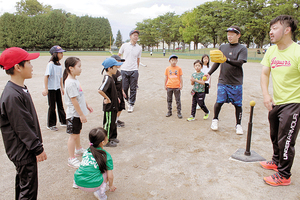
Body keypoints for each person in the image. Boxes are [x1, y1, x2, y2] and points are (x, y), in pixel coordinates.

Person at [0, 47, 47, 199]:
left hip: (23, 150)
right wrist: (37, 148)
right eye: (28, 62)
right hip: (23, 151)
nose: (32, 66)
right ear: (17, 67)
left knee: (23, 186)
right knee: (28, 192)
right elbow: (22, 127)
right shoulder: (12, 95)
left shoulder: (19, 89)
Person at [260, 15, 300, 186]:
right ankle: (276, 162)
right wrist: (266, 95)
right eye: (271, 28)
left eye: (275, 28)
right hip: (277, 102)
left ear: (287, 30)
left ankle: (284, 175)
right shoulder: (271, 51)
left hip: (295, 102)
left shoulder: (297, 52)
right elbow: (264, 73)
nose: (271, 31)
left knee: (286, 139)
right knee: (275, 135)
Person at [205, 25, 248, 135]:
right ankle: (215, 120)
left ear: (238, 35)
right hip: (223, 81)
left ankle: (238, 124)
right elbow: (217, 62)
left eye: (232, 34)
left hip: (236, 82)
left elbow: (240, 62)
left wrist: (227, 59)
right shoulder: (222, 47)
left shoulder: (242, 49)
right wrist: (209, 73)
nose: (229, 36)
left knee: (238, 105)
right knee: (219, 102)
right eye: (228, 34)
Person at [63, 57, 93, 168]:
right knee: (73, 136)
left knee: (77, 132)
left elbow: (80, 95)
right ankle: (71, 158)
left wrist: (86, 104)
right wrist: (81, 114)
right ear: (71, 68)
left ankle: (79, 149)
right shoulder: (70, 82)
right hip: (74, 114)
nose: (81, 69)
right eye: (79, 66)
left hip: (77, 113)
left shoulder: (75, 80)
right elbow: (73, 100)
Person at [73, 127, 116, 200]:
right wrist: (111, 185)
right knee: (106, 170)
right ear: (103, 142)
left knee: (85, 166)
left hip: (78, 182)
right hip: (93, 186)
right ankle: (100, 192)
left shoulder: (86, 151)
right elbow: (110, 176)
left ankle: (75, 184)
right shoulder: (106, 155)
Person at [98, 57, 123, 147]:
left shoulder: (111, 77)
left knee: (113, 122)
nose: (117, 69)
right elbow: (100, 90)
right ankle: (106, 140)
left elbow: (112, 90)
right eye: (116, 67)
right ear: (109, 68)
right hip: (109, 106)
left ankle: (112, 137)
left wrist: (116, 98)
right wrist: (107, 99)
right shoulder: (107, 78)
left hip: (114, 105)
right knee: (108, 123)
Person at [42, 45, 67, 131]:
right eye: (60, 53)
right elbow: (46, 76)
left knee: (60, 105)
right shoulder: (50, 65)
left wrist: (62, 88)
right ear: (55, 54)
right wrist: (46, 88)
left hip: (57, 88)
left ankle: (63, 121)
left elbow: (60, 77)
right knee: (52, 107)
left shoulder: (59, 65)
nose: (62, 54)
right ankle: (51, 124)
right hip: (51, 89)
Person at [118, 30, 142, 113]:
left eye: (137, 35)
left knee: (133, 88)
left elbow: (138, 59)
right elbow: (119, 55)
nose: (136, 37)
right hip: (124, 69)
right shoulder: (124, 45)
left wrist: (137, 69)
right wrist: (117, 64)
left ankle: (131, 104)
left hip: (134, 70)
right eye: (134, 35)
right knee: (124, 88)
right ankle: (127, 101)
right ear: (130, 36)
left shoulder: (139, 48)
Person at [165, 54, 183, 119]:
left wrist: (181, 85)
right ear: (169, 61)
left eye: (175, 60)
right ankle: (169, 111)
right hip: (169, 86)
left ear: (177, 61)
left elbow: (180, 77)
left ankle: (179, 112)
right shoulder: (167, 68)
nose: (174, 62)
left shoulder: (179, 68)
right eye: (172, 60)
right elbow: (166, 77)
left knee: (178, 100)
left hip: (177, 86)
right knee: (169, 100)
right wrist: (165, 84)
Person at [111, 55, 126, 128]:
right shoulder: (112, 74)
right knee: (116, 109)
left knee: (121, 107)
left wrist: (122, 91)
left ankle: (116, 119)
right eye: (118, 61)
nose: (120, 63)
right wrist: (116, 96)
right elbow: (112, 87)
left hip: (120, 92)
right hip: (115, 94)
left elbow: (120, 82)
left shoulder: (118, 72)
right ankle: (114, 122)